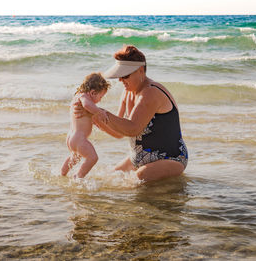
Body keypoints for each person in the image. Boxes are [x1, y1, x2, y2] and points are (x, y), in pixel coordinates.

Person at [76, 45, 188, 182]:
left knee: (137, 180)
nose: (121, 80)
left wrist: (100, 112)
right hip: (139, 159)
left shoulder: (151, 92)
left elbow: (132, 128)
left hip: (170, 158)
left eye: (125, 75)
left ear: (140, 71)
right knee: (108, 178)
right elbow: (119, 132)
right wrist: (94, 118)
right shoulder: (127, 92)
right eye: (120, 76)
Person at [61, 72, 110, 178]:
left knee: (74, 157)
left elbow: (84, 118)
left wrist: (94, 120)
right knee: (93, 158)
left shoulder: (77, 97)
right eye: (100, 96)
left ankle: (62, 174)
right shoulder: (84, 97)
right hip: (79, 139)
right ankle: (78, 176)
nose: (100, 100)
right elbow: (87, 104)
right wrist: (99, 112)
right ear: (92, 92)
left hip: (71, 138)